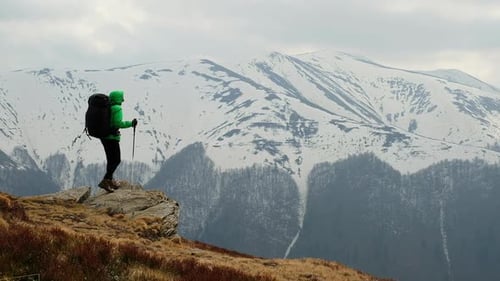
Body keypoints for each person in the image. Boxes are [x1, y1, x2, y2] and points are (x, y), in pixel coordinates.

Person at [98, 90, 137, 192]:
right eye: (122, 97)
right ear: (118, 98)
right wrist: (131, 124)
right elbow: (117, 124)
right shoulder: (117, 108)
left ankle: (109, 180)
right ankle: (106, 180)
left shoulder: (108, 107)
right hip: (112, 138)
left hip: (104, 137)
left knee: (111, 160)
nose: (123, 99)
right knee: (116, 160)